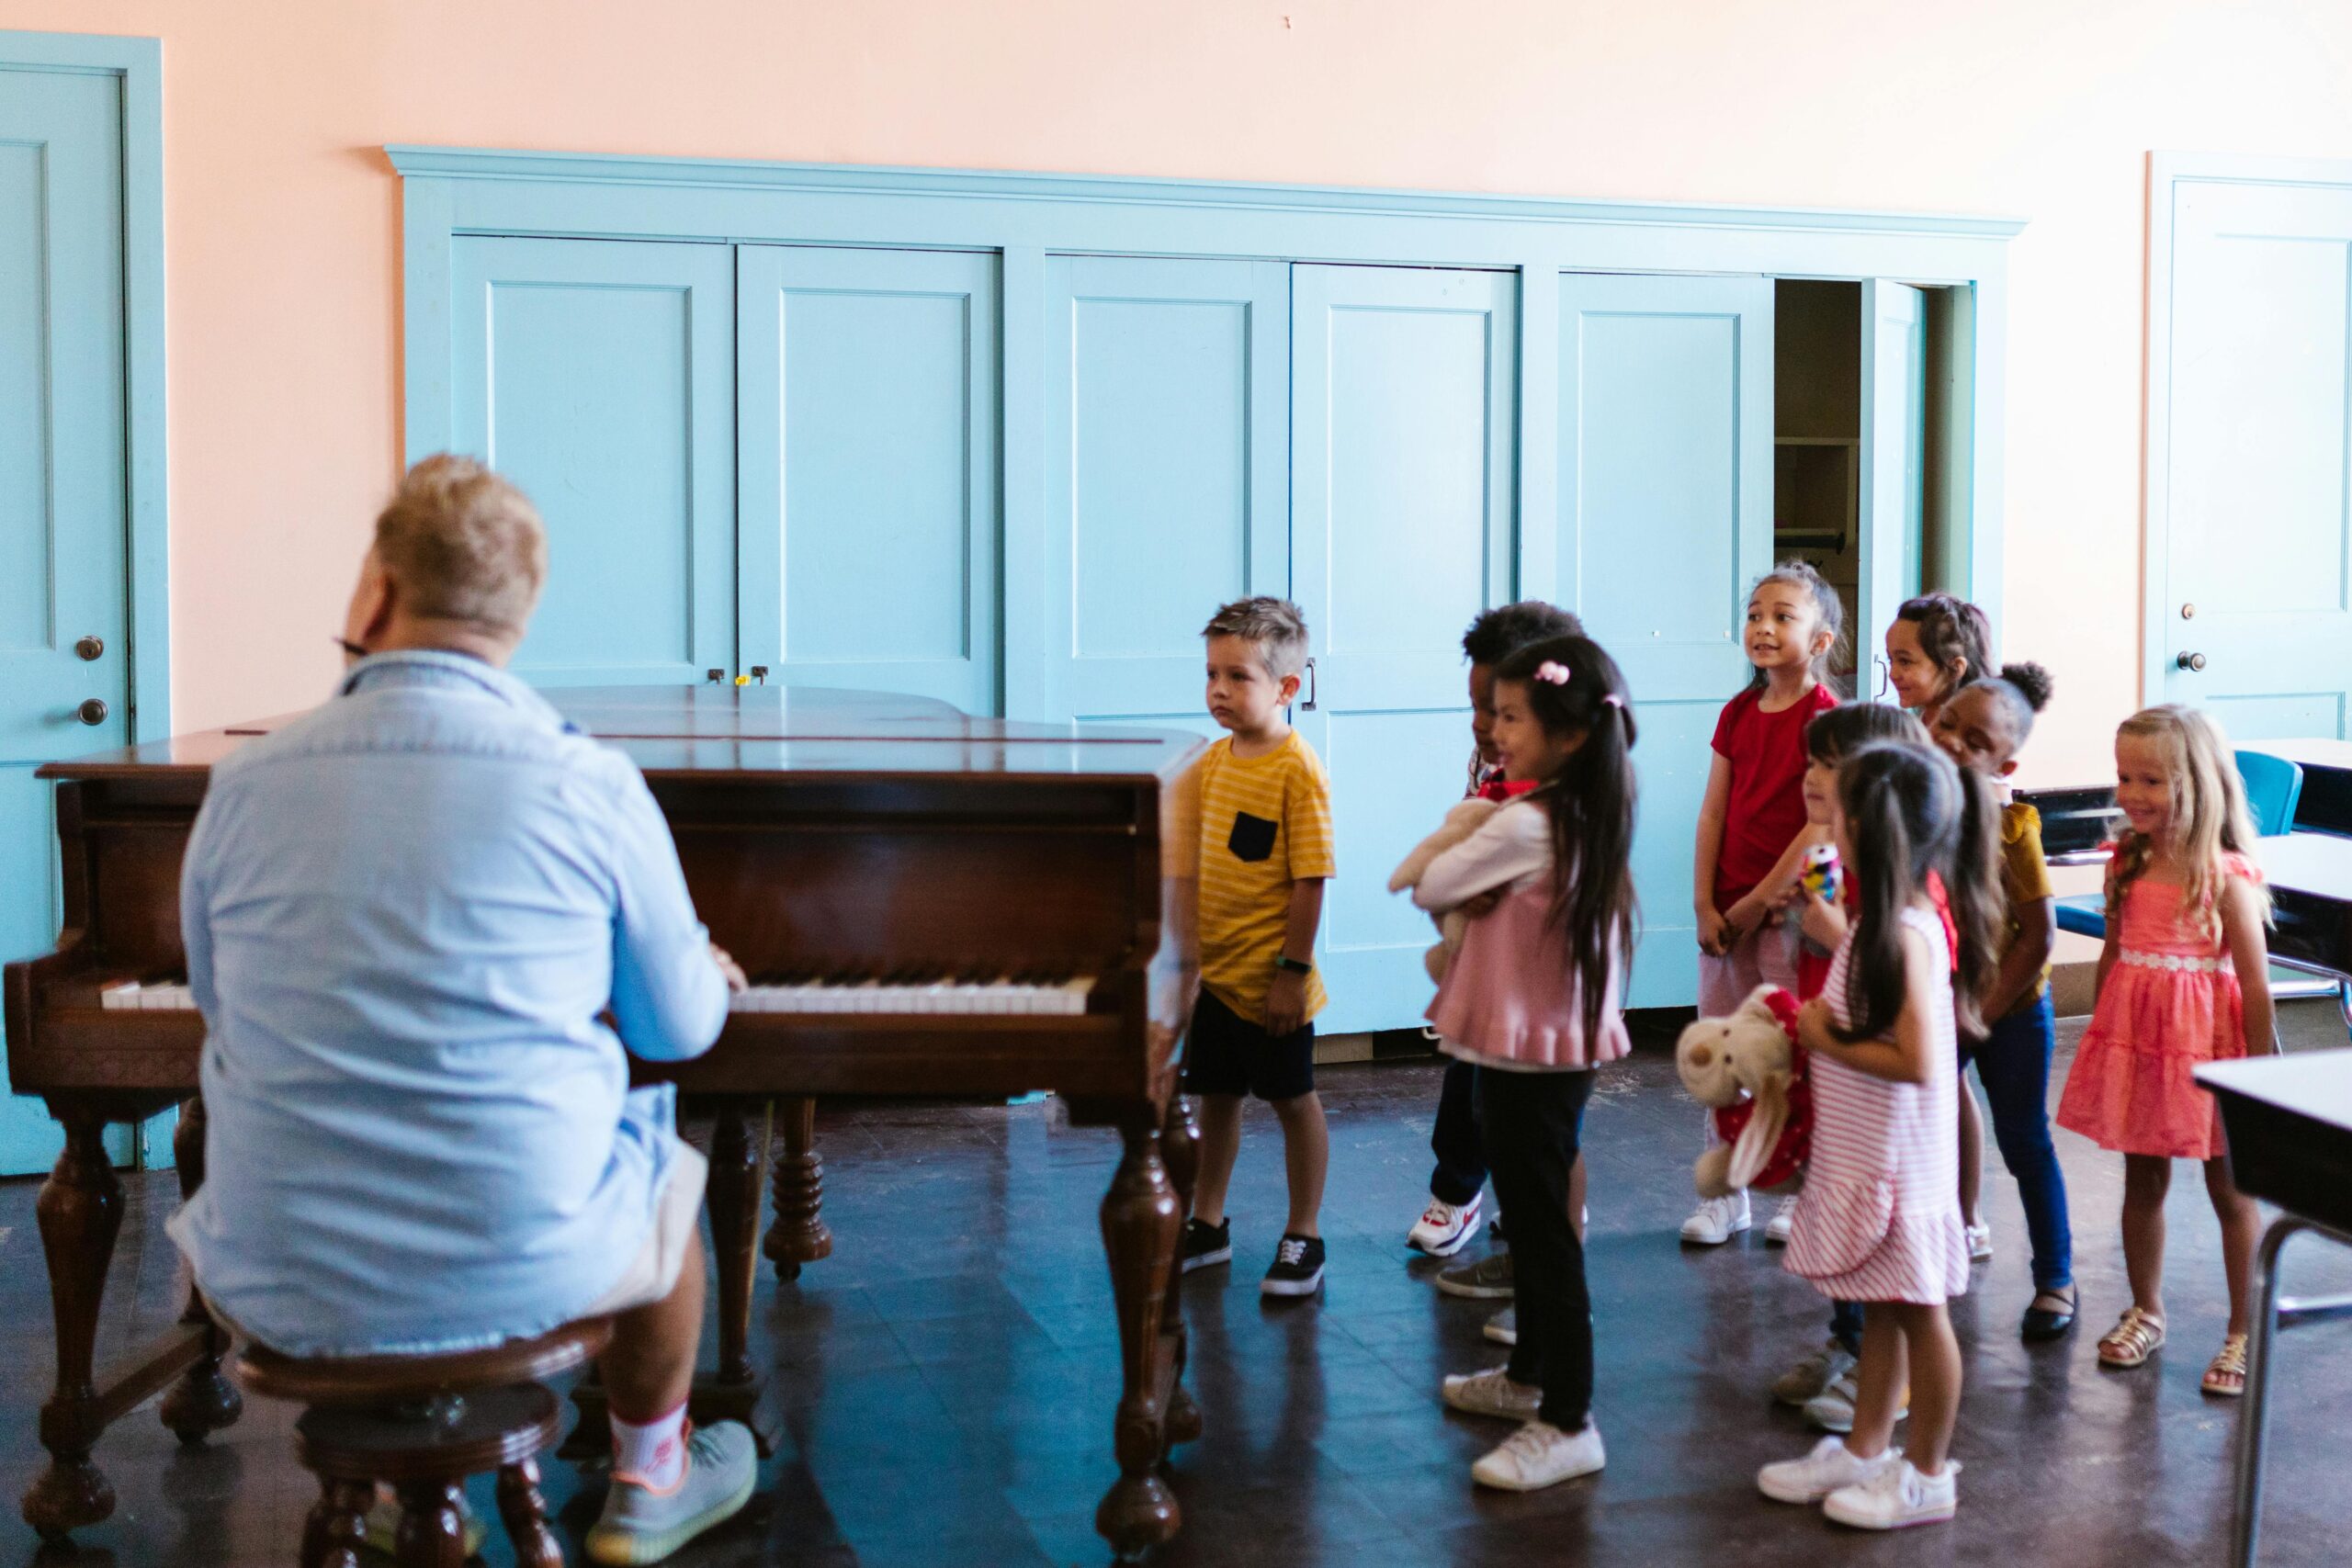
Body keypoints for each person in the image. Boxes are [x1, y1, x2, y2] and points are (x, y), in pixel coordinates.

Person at [168, 455, 757, 1566]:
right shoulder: (586, 783)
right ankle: (650, 1476)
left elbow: (217, 1002)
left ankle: (399, 1475)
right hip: (526, 1264)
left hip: (278, 1272)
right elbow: (680, 1033)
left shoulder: (244, 785)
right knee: (653, 1150)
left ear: (374, 592)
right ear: (520, 616)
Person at [1758, 741, 2001, 1530]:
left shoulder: (1902, 931)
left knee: (1920, 1312)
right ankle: (1865, 1450)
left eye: (1844, 805)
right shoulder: (1876, 926)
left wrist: (1820, 1037)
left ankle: (1928, 1473)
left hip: (1903, 1163)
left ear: (1873, 826)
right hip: (1872, 1152)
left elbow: (1920, 1057)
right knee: (1883, 1306)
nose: (1827, 809)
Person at [1414, 636, 1636, 1492]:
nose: (1494, 731)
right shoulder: (1582, 804)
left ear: (1568, 732)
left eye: (1510, 716)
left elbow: (1434, 881)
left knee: (1543, 1234)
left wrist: (1465, 876)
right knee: (1532, 1210)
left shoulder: (1530, 817)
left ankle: (1570, 1417)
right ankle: (1532, 1376)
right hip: (1543, 1041)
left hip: (1532, 1048)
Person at [2056, 705, 2275, 1396]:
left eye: (2152, 779)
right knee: (2142, 1181)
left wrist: (2258, 1073)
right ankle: (2146, 1308)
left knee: (2229, 1187)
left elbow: (2254, 981)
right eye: (2125, 776)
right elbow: (2115, 953)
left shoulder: (2225, 874)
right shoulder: (2128, 857)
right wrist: (2102, 1032)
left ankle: (2244, 1328)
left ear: (2199, 782)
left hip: (2212, 1047)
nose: (2132, 793)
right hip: (2140, 1042)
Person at [1763, 703, 1935, 1433]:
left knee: (1890, 1253)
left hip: (1881, 1092)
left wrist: (1835, 936)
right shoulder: (1831, 851)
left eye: (1828, 765)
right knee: (1845, 1216)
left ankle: (1876, 1369)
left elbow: (1903, 1011)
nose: (1811, 777)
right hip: (1843, 1079)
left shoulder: (1906, 898)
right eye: (1811, 762)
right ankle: (1848, 1339)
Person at [1410, 600, 1584, 1266]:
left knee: (1540, 1121)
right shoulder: (1499, 763)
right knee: (1479, 1091)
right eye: (1478, 707)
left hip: (1540, 986)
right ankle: (1483, 1198)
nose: (1482, 725)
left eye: (1498, 709)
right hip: (1489, 969)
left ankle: (1542, 1251)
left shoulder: (1569, 788)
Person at [1177, 597, 1339, 1297]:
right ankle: (1207, 1221)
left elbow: (1309, 882)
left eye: (1237, 676)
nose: (1218, 689)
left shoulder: (1297, 770)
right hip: (1214, 980)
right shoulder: (1212, 762)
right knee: (1216, 1097)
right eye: (1212, 674)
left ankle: (1304, 1233)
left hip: (1273, 983)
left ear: (1287, 686)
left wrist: (1290, 974)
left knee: (1292, 1099)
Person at [1685, 562, 1842, 1247]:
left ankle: (1799, 1186)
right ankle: (1730, 1191)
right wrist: (1704, 903)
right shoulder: (1738, 711)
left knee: (1787, 1052)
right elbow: (1713, 812)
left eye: (1783, 615)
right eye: (1755, 614)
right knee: (1725, 1050)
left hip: (1789, 914)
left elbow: (1819, 826)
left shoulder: (1826, 718)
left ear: (1821, 639)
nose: (1764, 627)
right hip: (1727, 913)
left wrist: (1757, 901)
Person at [1929, 667, 2077, 1340]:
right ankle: (1936, 1249)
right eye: (1948, 723)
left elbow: (2039, 934)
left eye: (1974, 737)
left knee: (2025, 1139)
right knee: (1922, 1135)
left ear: (2005, 760)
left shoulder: (2013, 827)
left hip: (2011, 1009)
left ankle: (2056, 1277)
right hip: (1936, 1005)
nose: (1952, 739)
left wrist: (1979, 1010)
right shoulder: (1914, 811)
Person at [1882, 592, 1998, 1263]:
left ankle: (1967, 1214)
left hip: (1946, 926)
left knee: (1947, 1075)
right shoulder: (1905, 728)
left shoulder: (1965, 742)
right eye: (1889, 657)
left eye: (1906, 659)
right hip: (1907, 914)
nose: (1893, 670)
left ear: (1953, 667)